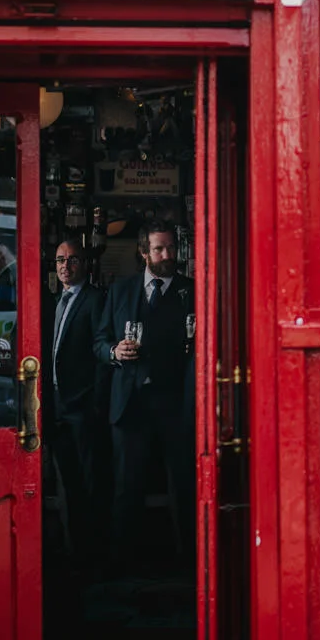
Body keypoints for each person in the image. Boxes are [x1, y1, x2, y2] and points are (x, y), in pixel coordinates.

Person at [94, 220, 196, 569]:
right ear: (143, 253)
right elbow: (99, 341)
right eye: (158, 249)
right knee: (127, 487)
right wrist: (113, 352)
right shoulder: (121, 291)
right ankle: (124, 566)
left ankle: (189, 564)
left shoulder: (191, 290)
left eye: (171, 248)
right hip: (130, 403)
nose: (167, 255)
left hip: (175, 404)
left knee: (183, 487)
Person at [46, 240, 106, 558]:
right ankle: (74, 549)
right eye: (60, 260)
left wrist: (94, 402)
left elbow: (100, 353)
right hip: (55, 403)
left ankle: (92, 554)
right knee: (66, 482)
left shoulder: (95, 299)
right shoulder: (55, 301)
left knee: (88, 483)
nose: (65, 266)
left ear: (84, 264)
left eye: (72, 260)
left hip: (83, 407)